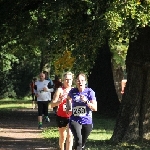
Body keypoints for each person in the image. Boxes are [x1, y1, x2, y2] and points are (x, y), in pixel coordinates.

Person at [67, 73, 97, 150]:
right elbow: (68, 99)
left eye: (82, 80)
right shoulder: (72, 91)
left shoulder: (90, 92)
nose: (80, 82)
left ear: (85, 81)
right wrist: (68, 107)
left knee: (81, 143)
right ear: (75, 81)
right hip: (75, 120)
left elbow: (95, 108)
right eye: (78, 80)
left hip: (87, 121)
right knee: (79, 141)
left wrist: (86, 101)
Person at [50, 72, 73, 150]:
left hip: (72, 116)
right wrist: (58, 102)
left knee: (70, 135)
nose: (68, 81)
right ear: (63, 80)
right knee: (63, 137)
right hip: (61, 116)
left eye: (69, 79)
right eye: (66, 79)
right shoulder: (60, 90)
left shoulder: (74, 90)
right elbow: (52, 104)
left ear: (72, 80)